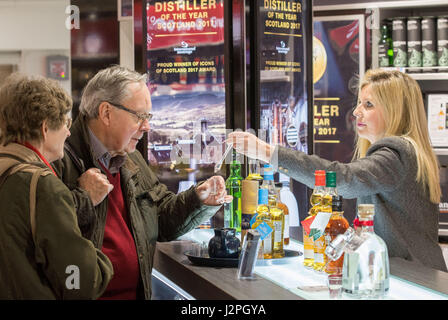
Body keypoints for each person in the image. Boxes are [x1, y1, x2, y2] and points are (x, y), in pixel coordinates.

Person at [228, 69, 447, 272]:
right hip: (412, 274)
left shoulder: (396, 153)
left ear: (395, 110)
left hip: (413, 278)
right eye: (359, 103)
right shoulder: (404, 152)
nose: (356, 112)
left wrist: (269, 152)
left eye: (368, 105)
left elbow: (343, 179)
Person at [52, 65, 230, 300]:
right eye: (140, 116)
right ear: (106, 113)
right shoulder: (59, 158)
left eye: (148, 117)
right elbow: (48, 233)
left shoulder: (130, 156)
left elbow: (160, 219)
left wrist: (198, 199)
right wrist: (83, 198)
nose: (146, 126)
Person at [0, 73, 113, 299]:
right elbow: (80, 281)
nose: (69, 132)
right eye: (65, 122)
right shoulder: (43, 186)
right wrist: (102, 263)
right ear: (44, 127)